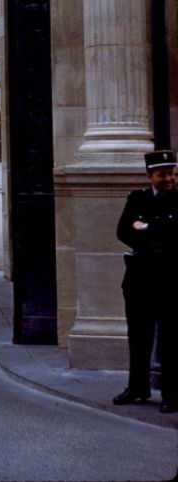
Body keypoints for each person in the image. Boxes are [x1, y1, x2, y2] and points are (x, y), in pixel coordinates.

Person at [112, 149, 178, 413]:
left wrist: (147, 227)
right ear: (150, 176)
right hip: (139, 281)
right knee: (138, 337)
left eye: (171, 174)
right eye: (163, 175)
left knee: (172, 340)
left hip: (171, 281)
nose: (169, 179)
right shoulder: (137, 199)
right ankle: (137, 388)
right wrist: (160, 233)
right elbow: (122, 231)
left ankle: (172, 395)